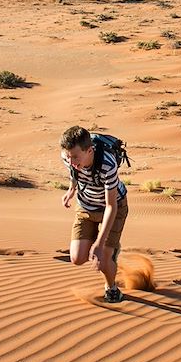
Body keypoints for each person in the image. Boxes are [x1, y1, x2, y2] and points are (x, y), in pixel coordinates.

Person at [60, 126, 129, 303]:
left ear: (89, 150)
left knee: (104, 258)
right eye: (68, 156)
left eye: (75, 156)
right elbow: (73, 173)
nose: (71, 160)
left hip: (114, 208)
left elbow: (111, 206)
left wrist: (99, 243)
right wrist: (71, 190)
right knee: (77, 258)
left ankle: (112, 288)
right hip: (85, 206)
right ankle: (107, 249)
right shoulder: (68, 158)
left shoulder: (107, 164)